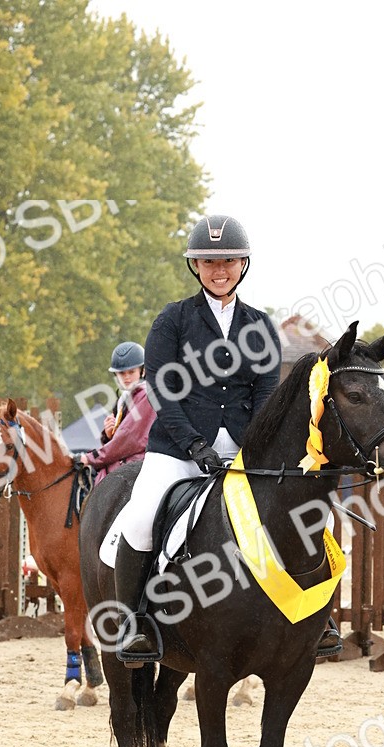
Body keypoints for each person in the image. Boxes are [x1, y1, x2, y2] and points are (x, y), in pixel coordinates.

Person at [113, 213, 285, 662]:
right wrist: (193, 445)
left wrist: (254, 449)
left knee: (295, 509)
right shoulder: (172, 320)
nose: (219, 269)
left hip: (245, 448)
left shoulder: (261, 325)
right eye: (209, 261)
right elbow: (164, 393)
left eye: (228, 259)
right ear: (195, 266)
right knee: (140, 517)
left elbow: (266, 393)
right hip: (179, 447)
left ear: (243, 263)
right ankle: (134, 625)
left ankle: (314, 616)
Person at [80, 342, 154, 484]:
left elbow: (128, 439)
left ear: (142, 371)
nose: (126, 377)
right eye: (121, 373)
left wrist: (90, 458)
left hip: (139, 467)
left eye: (131, 372)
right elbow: (121, 439)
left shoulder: (146, 395)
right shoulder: (124, 399)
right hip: (125, 464)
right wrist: (109, 435)